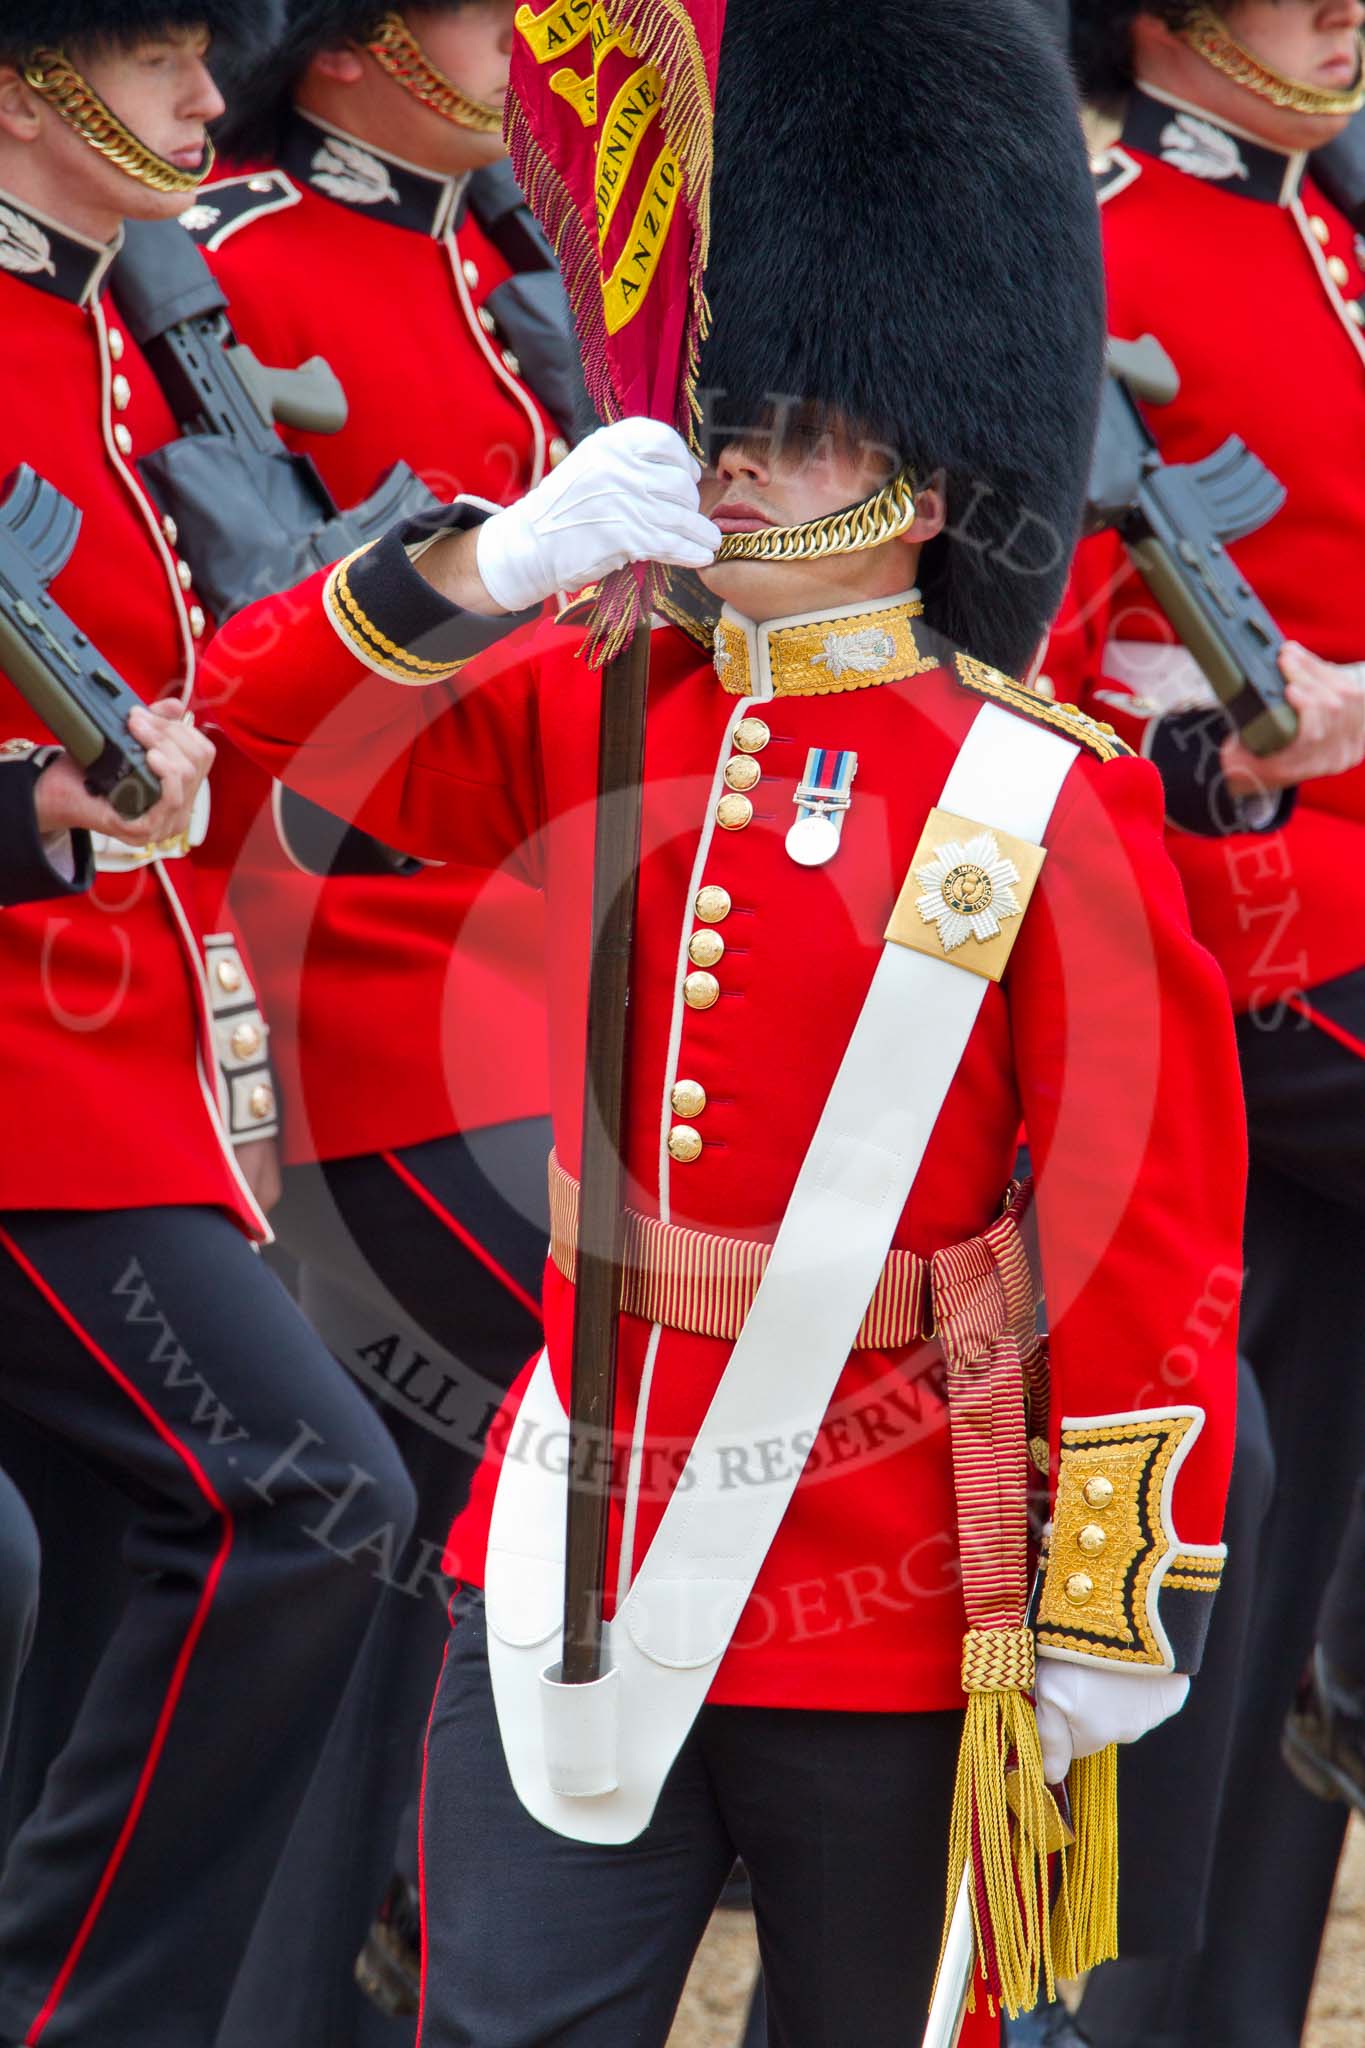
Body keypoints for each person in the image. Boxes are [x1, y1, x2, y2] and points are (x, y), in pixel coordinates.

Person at [203, 0, 1247, 2040]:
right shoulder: (598, 708)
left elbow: (1148, 1221)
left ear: (925, 476)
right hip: (580, 1527)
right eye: (721, 413)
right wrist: (496, 559)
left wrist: (1104, 1582)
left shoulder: (1039, 794)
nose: (735, 456)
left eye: (792, 423)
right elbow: (259, 763)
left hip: (887, 1569)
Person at [0, 11, 417, 2044]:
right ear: (18, 80)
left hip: (125, 1075)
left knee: (136, 1551)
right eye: (154, 54)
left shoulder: (101, 335)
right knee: (303, 1494)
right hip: (25, 1097)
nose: (203, 95)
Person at [168, 7, 584, 2036]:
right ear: (336, 46)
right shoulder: (225, 268)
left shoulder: (506, 282)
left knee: (408, 1556)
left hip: (550, 985)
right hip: (361, 995)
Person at [1038, 4, 1365, 2044]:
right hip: (1229, 939)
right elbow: (1006, 668)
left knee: (1279, 1520)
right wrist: (1210, 747)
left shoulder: (1325, 232)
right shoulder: (1089, 249)